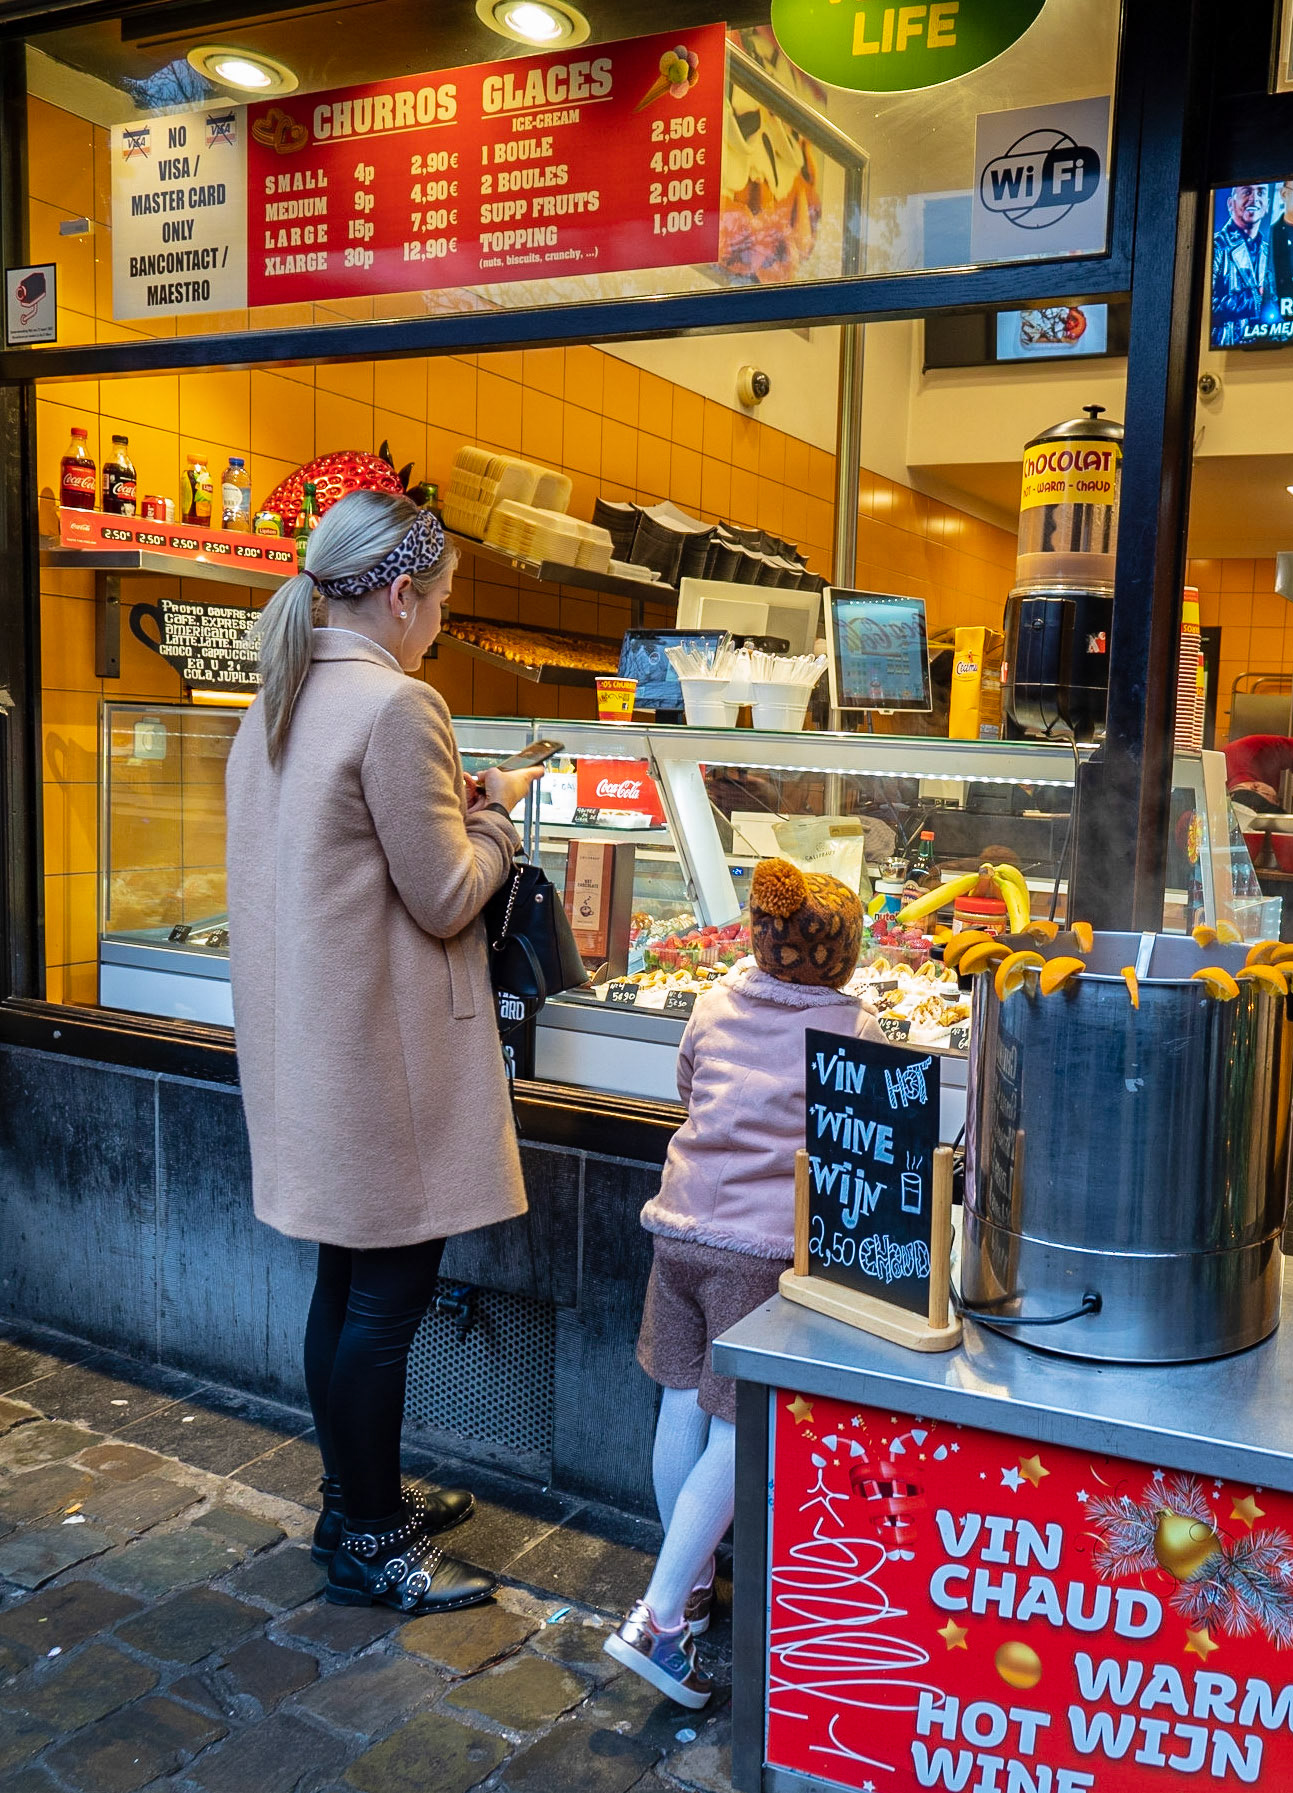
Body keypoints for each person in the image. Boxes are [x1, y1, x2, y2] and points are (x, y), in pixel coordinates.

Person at [226, 491, 543, 1614]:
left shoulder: (283, 690)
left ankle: (354, 1494)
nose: (441, 628)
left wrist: (440, 816)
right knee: (386, 1302)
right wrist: (498, 818)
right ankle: (373, 1535)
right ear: (400, 593)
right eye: (442, 604)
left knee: (344, 1285)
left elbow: (347, 857)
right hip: (385, 1058)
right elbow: (449, 893)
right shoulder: (398, 702)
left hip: (315, 1047)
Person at [605, 858, 887, 1706]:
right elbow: (856, 1135)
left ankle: (686, 1587)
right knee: (740, 1431)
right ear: (840, 956)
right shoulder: (854, 1027)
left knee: (679, 1402)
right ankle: (657, 1618)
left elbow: (689, 1085)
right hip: (760, 1254)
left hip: (678, 1227)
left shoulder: (714, 1000)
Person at [1211, 184, 1272, 346]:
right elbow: (1204, 306)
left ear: (1267, 205)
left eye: (1261, 192)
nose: (1254, 198)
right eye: (1246, 192)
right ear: (1230, 203)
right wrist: (1255, 299)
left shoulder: (1269, 252)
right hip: (1224, 347)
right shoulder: (1216, 247)